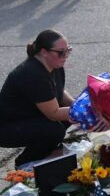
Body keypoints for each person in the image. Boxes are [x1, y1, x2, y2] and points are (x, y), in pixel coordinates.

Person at [0, 30, 78, 169]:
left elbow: (59, 92)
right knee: (55, 129)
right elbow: (53, 114)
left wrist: (77, 105)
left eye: (68, 50)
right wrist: (86, 111)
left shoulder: (54, 64)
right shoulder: (32, 73)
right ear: (44, 52)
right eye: (61, 52)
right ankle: (25, 163)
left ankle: (46, 151)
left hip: (27, 117)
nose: (65, 56)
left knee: (68, 116)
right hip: (7, 126)